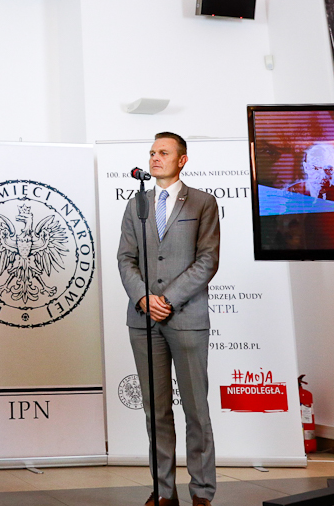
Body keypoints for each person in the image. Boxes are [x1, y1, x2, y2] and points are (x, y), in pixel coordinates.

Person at [117, 132, 220, 506]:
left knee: (196, 410)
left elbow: (208, 259)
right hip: (143, 321)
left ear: (182, 160)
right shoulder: (137, 204)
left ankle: (202, 492)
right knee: (156, 411)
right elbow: (125, 258)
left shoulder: (203, 202)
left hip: (187, 317)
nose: (155, 158)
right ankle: (163, 491)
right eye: (151, 152)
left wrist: (167, 299)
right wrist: (144, 298)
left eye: (163, 152)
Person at [285, 143, 334, 207]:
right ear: (306, 167)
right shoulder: (290, 194)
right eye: (316, 168)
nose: (323, 177)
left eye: (329, 170)